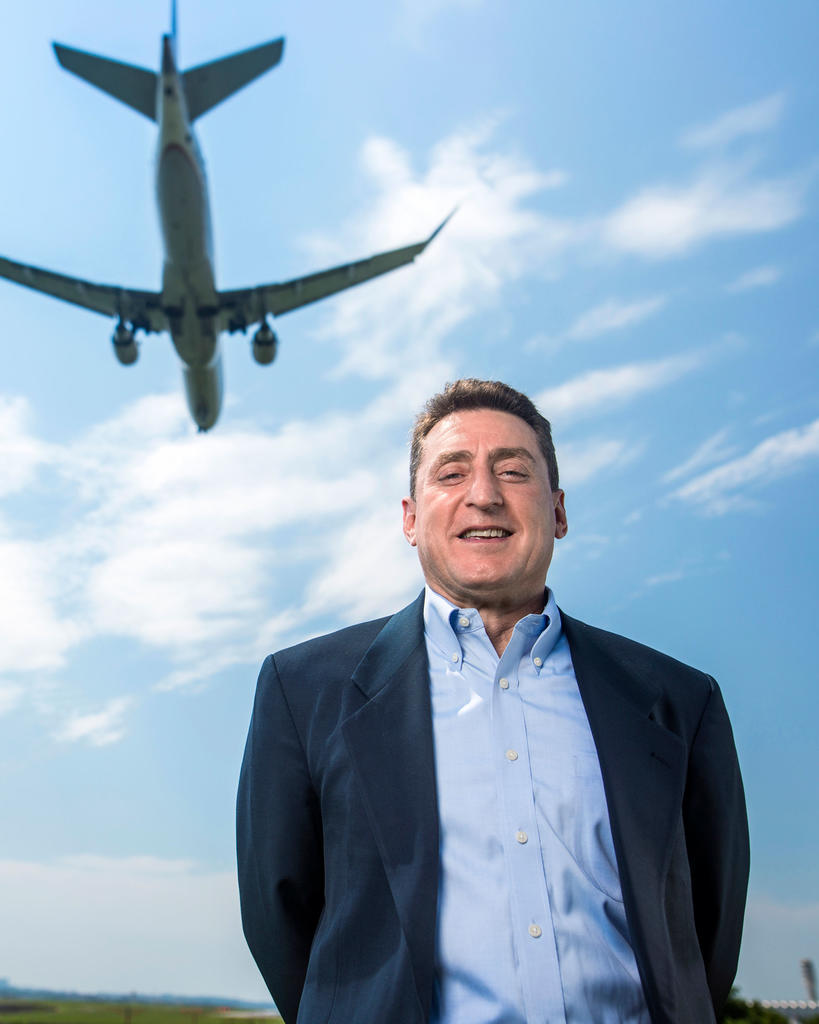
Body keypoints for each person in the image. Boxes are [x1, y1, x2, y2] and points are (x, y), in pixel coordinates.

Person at [237, 378, 749, 1024]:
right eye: (451, 474)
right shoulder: (302, 691)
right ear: (410, 518)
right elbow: (281, 920)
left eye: (513, 471)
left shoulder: (678, 700)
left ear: (558, 512)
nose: (483, 495)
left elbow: (704, 935)